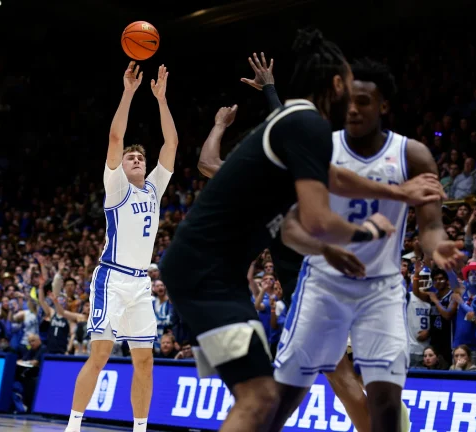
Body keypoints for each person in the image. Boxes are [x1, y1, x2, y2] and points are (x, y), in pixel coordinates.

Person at [160, 30, 402, 432]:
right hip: (219, 274)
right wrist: (368, 231)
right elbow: (318, 214)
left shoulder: (299, 138)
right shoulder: (303, 129)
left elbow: (298, 222)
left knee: (270, 394)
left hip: (223, 276)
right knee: (278, 392)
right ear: (338, 84)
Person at [270, 57, 462, 432]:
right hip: (323, 285)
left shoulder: (413, 154)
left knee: (387, 401)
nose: (354, 110)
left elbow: (431, 226)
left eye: (364, 102)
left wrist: (437, 247)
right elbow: (290, 228)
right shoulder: (321, 149)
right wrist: (324, 249)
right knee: (287, 396)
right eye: (349, 102)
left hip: (382, 288)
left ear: (384, 106)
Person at [65, 62, 179, 432]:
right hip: (111, 278)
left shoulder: (154, 187)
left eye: (140, 157)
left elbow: (171, 144)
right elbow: (116, 139)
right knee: (99, 355)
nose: (136, 158)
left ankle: (141, 428)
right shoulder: (116, 188)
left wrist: (161, 99)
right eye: (132, 157)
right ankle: (74, 425)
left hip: (140, 284)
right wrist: (129, 92)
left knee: (144, 361)